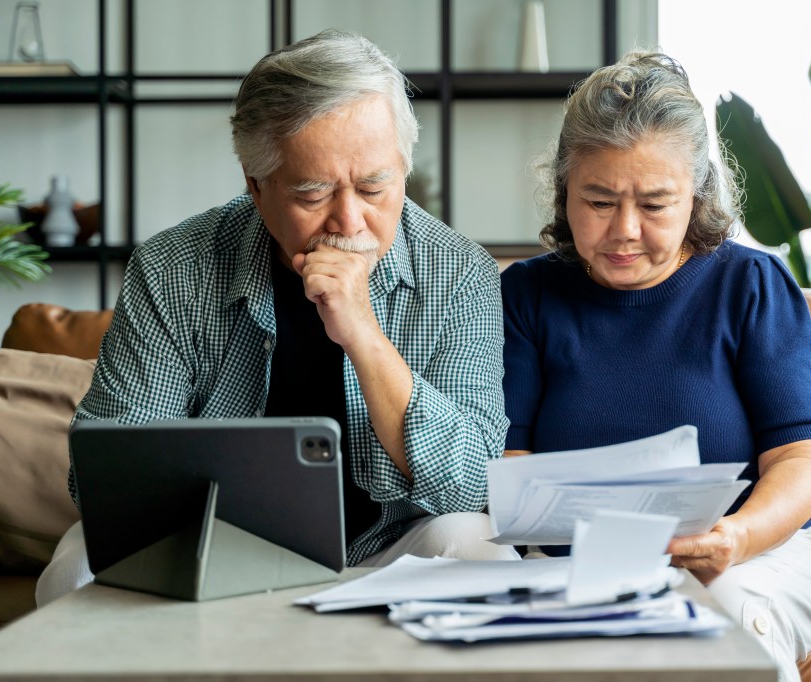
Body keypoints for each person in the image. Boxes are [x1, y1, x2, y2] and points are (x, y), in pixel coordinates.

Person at [37, 29, 517, 606]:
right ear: (255, 186)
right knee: (74, 569)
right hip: (210, 549)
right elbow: (104, 477)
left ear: (403, 167)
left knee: (479, 545)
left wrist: (363, 333)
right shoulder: (172, 268)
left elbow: (473, 481)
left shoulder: (460, 271)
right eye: (313, 194)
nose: (349, 221)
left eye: (373, 186)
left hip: (391, 549)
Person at [501, 50, 811, 682]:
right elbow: (512, 465)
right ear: (563, 191)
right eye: (598, 201)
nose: (624, 231)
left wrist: (735, 538)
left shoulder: (750, 284)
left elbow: (803, 460)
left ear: (697, 195)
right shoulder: (527, 294)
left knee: (717, 621)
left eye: (655, 204)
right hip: (573, 564)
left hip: (753, 555)